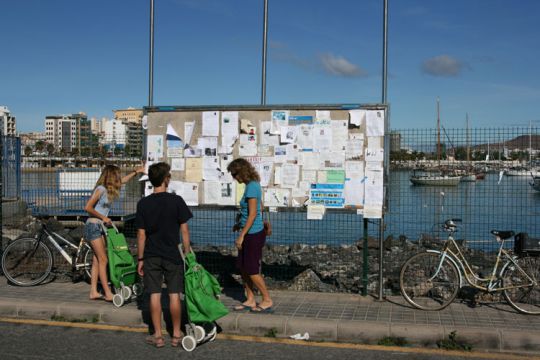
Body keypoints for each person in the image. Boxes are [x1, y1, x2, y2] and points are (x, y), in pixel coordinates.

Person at [136, 162, 192, 348]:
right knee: (175, 294)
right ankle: (176, 334)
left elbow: (141, 235)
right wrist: (186, 251)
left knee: (154, 294)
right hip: (172, 255)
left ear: (152, 180)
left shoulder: (143, 203)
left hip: (151, 254)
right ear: (166, 179)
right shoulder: (177, 201)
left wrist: (140, 259)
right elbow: (184, 231)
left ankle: (158, 335)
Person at [84, 164, 144, 301]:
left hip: (99, 227)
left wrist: (136, 171)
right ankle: (107, 293)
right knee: (104, 259)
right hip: (93, 226)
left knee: (96, 260)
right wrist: (103, 217)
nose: (119, 177)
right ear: (111, 176)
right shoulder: (100, 189)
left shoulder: (108, 188)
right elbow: (87, 207)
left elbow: (123, 180)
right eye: (117, 175)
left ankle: (93, 291)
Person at [227, 158, 273, 313]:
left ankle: (266, 299)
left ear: (242, 172)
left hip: (252, 234)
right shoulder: (250, 186)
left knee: (252, 269)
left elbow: (253, 214)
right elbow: (257, 208)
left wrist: (242, 235)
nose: (234, 178)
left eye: (235, 174)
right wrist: (239, 224)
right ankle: (250, 299)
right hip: (248, 231)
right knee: (244, 268)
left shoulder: (252, 187)